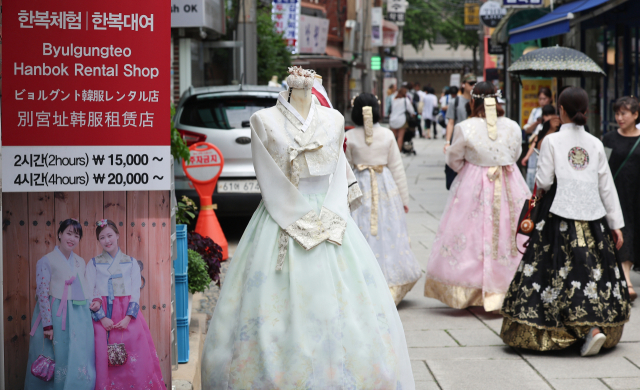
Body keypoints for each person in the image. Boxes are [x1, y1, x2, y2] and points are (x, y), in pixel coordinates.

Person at [201, 67, 415, 389]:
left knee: (350, 313)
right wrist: (297, 219)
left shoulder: (334, 120)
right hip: (279, 218)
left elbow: (340, 175)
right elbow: (268, 180)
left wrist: (331, 215)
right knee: (272, 314)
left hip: (331, 220)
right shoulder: (263, 120)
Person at [501, 87, 630, 357]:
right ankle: (594, 328)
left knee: (556, 272)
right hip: (594, 218)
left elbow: (545, 181)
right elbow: (606, 186)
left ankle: (560, 330)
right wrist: (616, 224)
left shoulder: (551, 141)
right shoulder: (595, 142)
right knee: (591, 272)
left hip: (558, 216)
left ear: (561, 110)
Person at [424, 82, 530, 311]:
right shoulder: (512, 126)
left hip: (474, 183)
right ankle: (510, 284)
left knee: (471, 234)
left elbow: (453, 158)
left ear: (473, 101)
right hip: (509, 182)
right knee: (508, 233)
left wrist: (470, 165)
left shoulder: (465, 127)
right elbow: (515, 153)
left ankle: (469, 288)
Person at [346, 93, 422, 305]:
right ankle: (391, 282)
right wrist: (404, 199)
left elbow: (346, 167)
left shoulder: (349, 137)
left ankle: (361, 283)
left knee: (360, 231)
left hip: (359, 187)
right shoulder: (388, 135)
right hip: (385, 185)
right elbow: (397, 168)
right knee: (387, 229)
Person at [86, 219, 164, 389]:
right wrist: (102, 318)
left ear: (117, 235)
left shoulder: (131, 262)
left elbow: (135, 293)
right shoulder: (93, 263)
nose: (107, 241)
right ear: (98, 241)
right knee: (104, 357)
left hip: (127, 315)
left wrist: (128, 318)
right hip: (103, 316)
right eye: (102, 238)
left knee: (135, 356)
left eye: (109, 235)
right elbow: (89, 292)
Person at [24, 219, 96, 389]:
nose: (72, 238)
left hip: (77, 314)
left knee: (77, 354)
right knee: (54, 355)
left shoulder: (80, 261)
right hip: (55, 313)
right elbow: (42, 293)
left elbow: (86, 289)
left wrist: (93, 307)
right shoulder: (46, 260)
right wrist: (47, 325)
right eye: (68, 233)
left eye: (76, 235)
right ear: (60, 234)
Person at [603, 96, 640, 302]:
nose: (619, 117)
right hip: (617, 192)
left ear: (635, 115)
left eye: (623, 113)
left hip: (637, 193)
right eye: (617, 113)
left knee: (634, 232)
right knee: (623, 231)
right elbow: (603, 166)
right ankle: (626, 281)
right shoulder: (609, 138)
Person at [444, 75, 476, 190]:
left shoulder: (478, 101)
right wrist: (448, 142)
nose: (473, 86)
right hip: (458, 141)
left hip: (474, 142)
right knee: (455, 175)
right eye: (470, 83)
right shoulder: (455, 101)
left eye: (475, 83)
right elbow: (451, 122)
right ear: (463, 84)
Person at [521, 104, 560, 191]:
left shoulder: (559, 126)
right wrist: (527, 157)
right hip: (539, 157)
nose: (549, 117)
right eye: (546, 115)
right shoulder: (542, 126)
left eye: (550, 114)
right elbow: (536, 144)